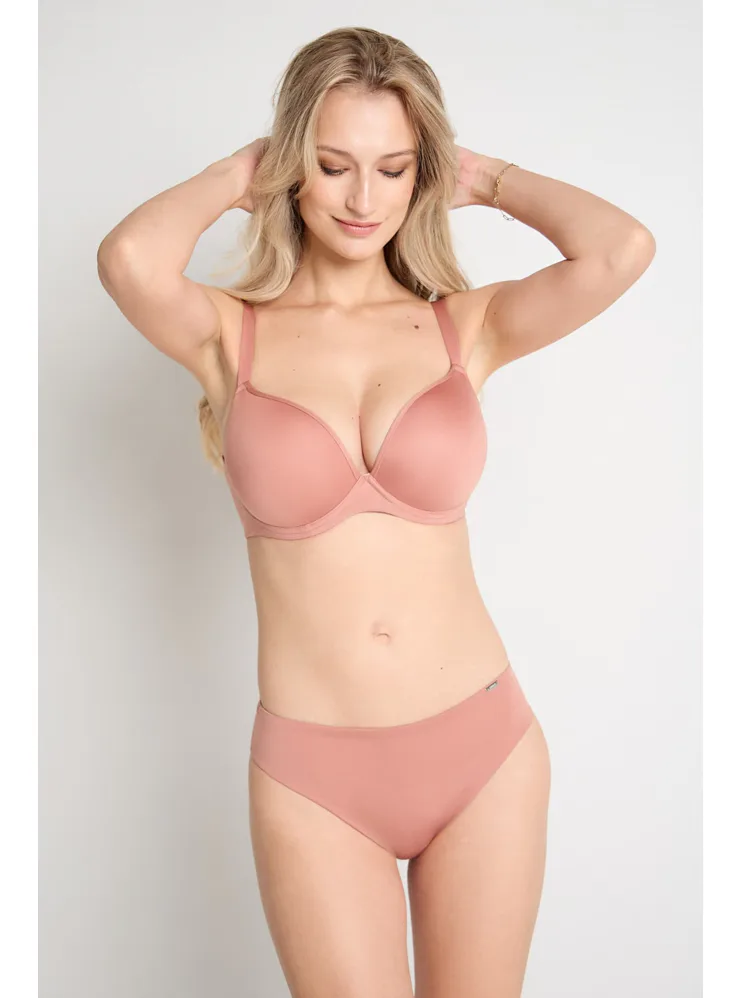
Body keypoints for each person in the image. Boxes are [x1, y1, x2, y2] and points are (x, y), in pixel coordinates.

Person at [96, 25, 655, 998]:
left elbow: (620, 249)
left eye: (394, 168)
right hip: (314, 777)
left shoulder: (463, 326)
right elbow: (130, 259)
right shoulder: (232, 337)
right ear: (291, 167)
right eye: (332, 165)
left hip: (484, 749)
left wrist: (485, 177)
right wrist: (239, 173)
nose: (364, 199)